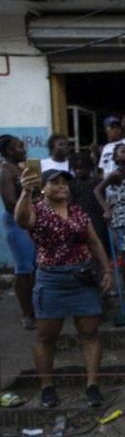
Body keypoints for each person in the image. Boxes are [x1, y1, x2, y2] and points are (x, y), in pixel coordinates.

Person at [16, 168, 113, 408]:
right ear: (44, 187)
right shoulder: (36, 209)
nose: (62, 186)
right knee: (46, 336)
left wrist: (107, 269)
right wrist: (26, 190)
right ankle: (47, 387)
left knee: (90, 333)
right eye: (55, 183)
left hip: (82, 278)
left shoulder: (77, 211)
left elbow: (93, 241)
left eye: (65, 183)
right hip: (52, 280)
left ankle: (92, 385)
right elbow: (21, 220)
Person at [95, 144, 125, 298]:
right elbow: (97, 190)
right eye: (122, 151)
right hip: (121, 216)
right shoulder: (116, 174)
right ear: (115, 157)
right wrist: (106, 209)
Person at [0, 135, 36, 330]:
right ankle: (26, 314)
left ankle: (36, 309)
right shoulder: (5, 171)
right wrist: (28, 210)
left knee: (35, 266)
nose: (24, 148)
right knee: (24, 269)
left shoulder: (23, 167)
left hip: (30, 219)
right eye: (19, 146)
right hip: (16, 222)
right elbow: (9, 203)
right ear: (8, 151)